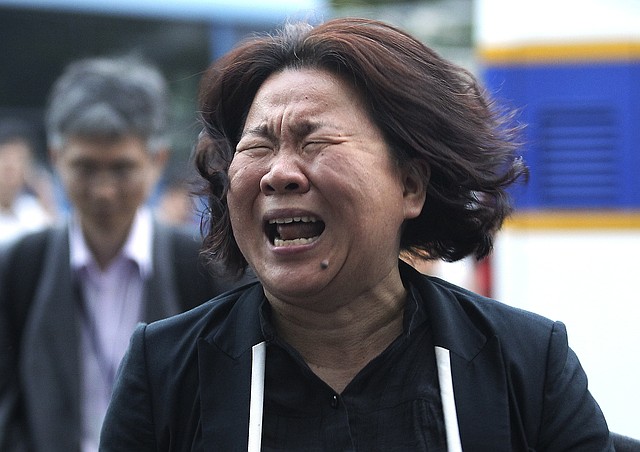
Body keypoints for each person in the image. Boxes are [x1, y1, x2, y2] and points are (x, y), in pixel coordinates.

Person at [100, 18, 613, 451]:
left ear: (410, 185)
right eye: (257, 146)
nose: (279, 174)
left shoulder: (526, 364)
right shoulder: (166, 370)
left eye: (314, 139)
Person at [0, 56, 248, 452]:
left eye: (121, 168)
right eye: (85, 167)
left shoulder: (206, 271)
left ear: (157, 161)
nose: (103, 190)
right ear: (55, 157)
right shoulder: (16, 268)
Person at [0, 119, 55, 246]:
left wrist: (43, 190)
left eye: (19, 159)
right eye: (4, 157)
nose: (11, 166)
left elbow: (55, 246)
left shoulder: (32, 210)